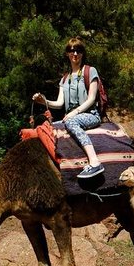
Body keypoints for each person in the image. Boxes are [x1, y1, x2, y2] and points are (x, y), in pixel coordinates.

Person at [32, 37, 104, 179]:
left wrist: (74, 113)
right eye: (71, 51)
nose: (75, 54)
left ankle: (95, 162)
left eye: (78, 50)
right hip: (71, 116)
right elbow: (59, 103)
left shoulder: (90, 71)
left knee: (71, 122)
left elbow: (91, 99)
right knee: (47, 126)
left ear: (82, 54)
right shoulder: (64, 79)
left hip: (90, 115)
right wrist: (43, 101)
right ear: (67, 54)